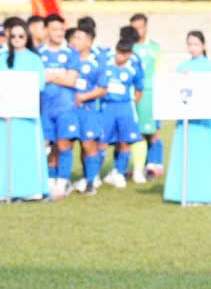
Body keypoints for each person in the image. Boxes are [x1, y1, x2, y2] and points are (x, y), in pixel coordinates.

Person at [0, 18, 48, 202]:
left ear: (27, 37)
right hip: (7, 114)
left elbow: (39, 85)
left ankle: (30, 190)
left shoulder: (34, 59)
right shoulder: (3, 58)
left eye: (21, 36)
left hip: (26, 113)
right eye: (14, 36)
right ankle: (5, 189)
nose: (17, 39)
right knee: (7, 151)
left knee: (26, 152)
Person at [164, 30, 211, 205]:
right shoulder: (183, 67)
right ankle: (181, 193)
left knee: (204, 156)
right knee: (185, 155)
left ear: (203, 45)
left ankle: (206, 193)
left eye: (196, 44)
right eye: (190, 44)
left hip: (204, 120)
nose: (193, 48)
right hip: (186, 119)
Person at [78, 39, 146, 188]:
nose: (120, 56)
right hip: (107, 107)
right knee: (102, 142)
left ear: (129, 54)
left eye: (124, 54)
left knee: (125, 141)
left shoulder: (132, 68)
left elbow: (139, 88)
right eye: (118, 52)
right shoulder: (106, 66)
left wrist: (132, 104)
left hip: (125, 107)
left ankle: (119, 173)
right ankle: (94, 175)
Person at [37, 13, 82, 199]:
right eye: (55, 29)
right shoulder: (38, 53)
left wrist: (50, 77)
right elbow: (36, 79)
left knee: (64, 144)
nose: (59, 33)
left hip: (65, 107)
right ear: (46, 30)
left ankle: (62, 182)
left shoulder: (71, 53)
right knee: (46, 145)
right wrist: (59, 76)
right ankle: (48, 180)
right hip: (43, 107)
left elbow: (72, 80)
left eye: (61, 29)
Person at [68, 25, 105, 194]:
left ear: (90, 42)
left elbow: (103, 88)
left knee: (88, 145)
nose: (76, 41)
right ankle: (62, 180)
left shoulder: (96, 62)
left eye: (80, 38)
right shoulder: (66, 59)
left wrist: (83, 97)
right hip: (67, 110)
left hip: (88, 110)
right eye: (74, 37)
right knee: (64, 145)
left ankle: (90, 181)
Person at [130, 13, 165, 182]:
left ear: (146, 27)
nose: (137, 30)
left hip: (150, 93)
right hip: (133, 94)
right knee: (137, 132)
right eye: (134, 27)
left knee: (153, 131)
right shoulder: (128, 48)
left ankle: (155, 164)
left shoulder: (154, 48)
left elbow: (160, 70)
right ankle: (140, 165)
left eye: (140, 27)